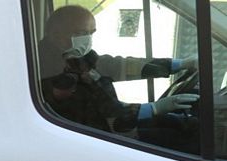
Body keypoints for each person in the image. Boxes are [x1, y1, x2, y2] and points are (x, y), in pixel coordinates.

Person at [39, 5, 199, 139]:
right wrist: (153, 108)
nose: (87, 39)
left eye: (91, 33)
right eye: (81, 33)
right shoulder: (50, 68)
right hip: (98, 137)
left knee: (184, 126)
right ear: (56, 34)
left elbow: (117, 66)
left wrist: (177, 64)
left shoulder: (76, 55)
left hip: (109, 128)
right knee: (186, 137)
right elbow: (108, 113)